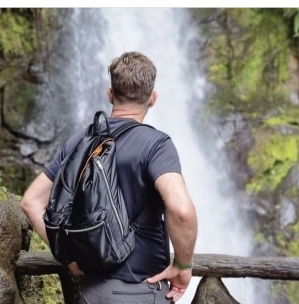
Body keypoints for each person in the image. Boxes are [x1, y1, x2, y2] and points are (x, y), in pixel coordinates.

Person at [21, 51, 198, 304]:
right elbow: (181, 210)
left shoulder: (80, 142)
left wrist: (67, 256)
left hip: (92, 292)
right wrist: (182, 265)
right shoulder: (157, 145)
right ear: (152, 98)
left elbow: (31, 202)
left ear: (111, 94)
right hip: (142, 291)